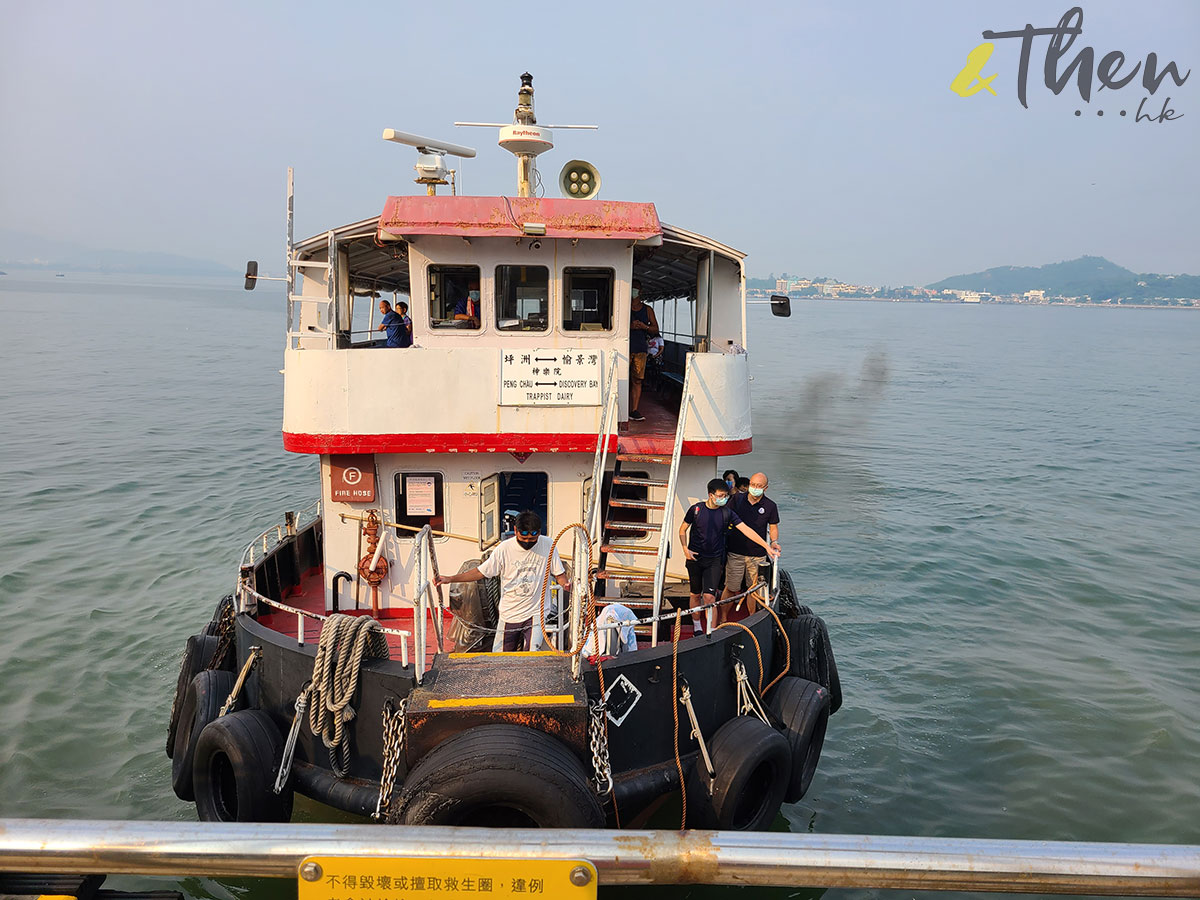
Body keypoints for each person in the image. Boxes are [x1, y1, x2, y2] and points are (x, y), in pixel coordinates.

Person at [435, 511, 569, 651]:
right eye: (524, 539)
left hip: (536, 613)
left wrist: (567, 586)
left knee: (533, 653)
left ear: (539, 533)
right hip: (509, 613)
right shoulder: (504, 549)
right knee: (501, 656)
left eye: (532, 539)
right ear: (516, 530)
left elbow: (559, 574)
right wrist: (450, 578)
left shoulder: (548, 544)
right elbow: (480, 572)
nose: (528, 543)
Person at [678, 477, 779, 636]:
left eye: (726, 496)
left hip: (715, 559)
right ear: (711, 495)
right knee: (695, 594)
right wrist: (685, 549)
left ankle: (711, 631)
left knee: (710, 597)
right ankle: (697, 625)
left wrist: (767, 546)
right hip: (695, 558)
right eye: (720, 496)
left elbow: (747, 530)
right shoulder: (696, 510)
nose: (724, 499)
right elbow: (682, 530)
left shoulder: (727, 513)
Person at [720, 472, 781, 620]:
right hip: (735, 552)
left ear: (765, 488)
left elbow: (773, 526)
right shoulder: (737, 499)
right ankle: (723, 618)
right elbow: (724, 516)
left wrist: (773, 542)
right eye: (753, 485)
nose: (755, 488)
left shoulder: (770, 506)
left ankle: (752, 619)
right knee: (731, 587)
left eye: (759, 486)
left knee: (752, 589)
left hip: (757, 554)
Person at [628, 278, 659, 422]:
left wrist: (643, 326)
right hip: (625, 348)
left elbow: (655, 329)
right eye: (632, 287)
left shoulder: (647, 310)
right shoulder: (622, 307)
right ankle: (619, 408)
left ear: (640, 291)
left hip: (640, 349)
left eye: (636, 288)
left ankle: (634, 410)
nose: (634, 290)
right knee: (621, 379)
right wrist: (630, 326)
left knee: (637, 380)